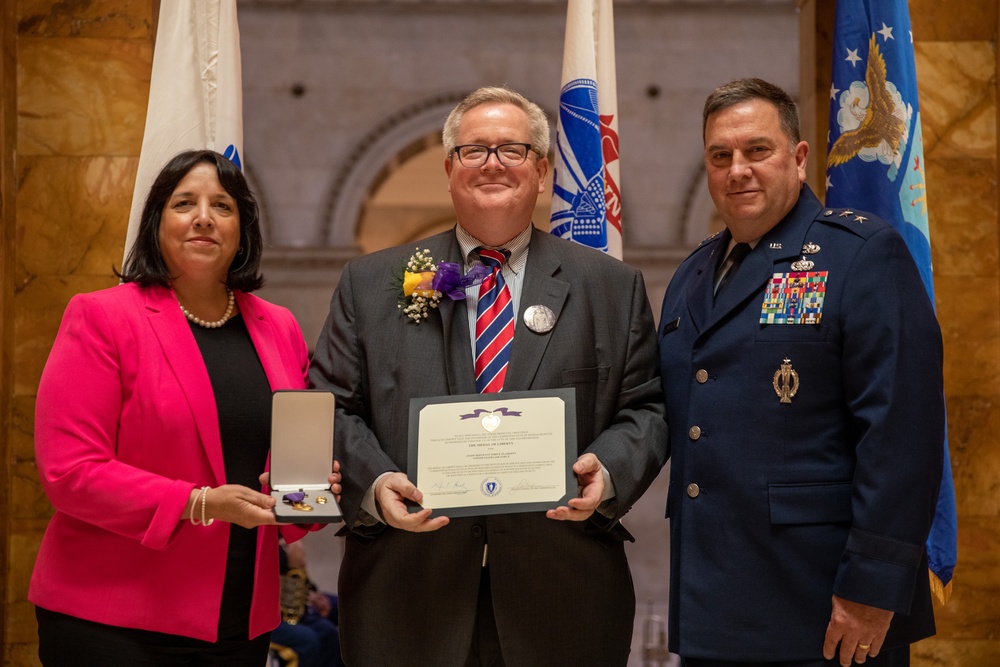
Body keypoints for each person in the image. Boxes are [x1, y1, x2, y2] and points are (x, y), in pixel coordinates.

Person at [310, 86, 668, 666]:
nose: (493, 163)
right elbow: (329, 405)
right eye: (475, 150)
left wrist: (608, 470)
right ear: (449, 169)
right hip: (406, 594)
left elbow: (645, 407)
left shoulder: (609, 286)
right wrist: (375, 485)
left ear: (544, 170)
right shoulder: (372, 283)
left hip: (561, 596)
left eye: (513, 149)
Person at [657, 78, 944, 667]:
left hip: (827, 614)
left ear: (799, 156)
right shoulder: (691, 275)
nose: (738, 169)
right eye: (720, 156)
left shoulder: (861, 255)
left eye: (757, 150)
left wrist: (873, 587)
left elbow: (901, 436)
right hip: (714, 608)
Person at [30, 150, 338, 665]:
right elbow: (70, 471)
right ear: (157, 222)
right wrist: (200, 503)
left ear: (242, 228)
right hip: (116, 618)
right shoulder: (103, 317)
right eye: (184, 203)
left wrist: (308, 491)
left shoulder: (278, 325)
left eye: (222, 205)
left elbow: (289, 452)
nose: (203, 217)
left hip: (241, 618)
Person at [270, 540, 345, 667]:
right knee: (307, 640)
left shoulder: (286, 533)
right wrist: (285, 558)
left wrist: (310, 593)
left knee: (330, 630)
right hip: (270, 616)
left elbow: (300, 575)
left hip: (295, 609)